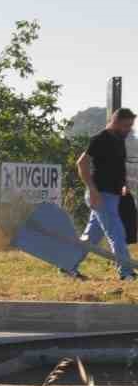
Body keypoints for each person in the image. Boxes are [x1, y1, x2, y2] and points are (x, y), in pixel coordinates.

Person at [77, 108, 137, 280]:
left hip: (113, 195)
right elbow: (81, 164)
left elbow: (117, 167)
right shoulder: (100, 139)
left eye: (131, 126)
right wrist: (93, 191)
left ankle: (67, 265)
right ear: (115, 122)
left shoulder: (119, 140)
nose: (128, 129)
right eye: (126, 125)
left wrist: (123, 185)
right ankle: (126, 273)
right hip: (100, 195)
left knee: (90, 237)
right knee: (117, 234)